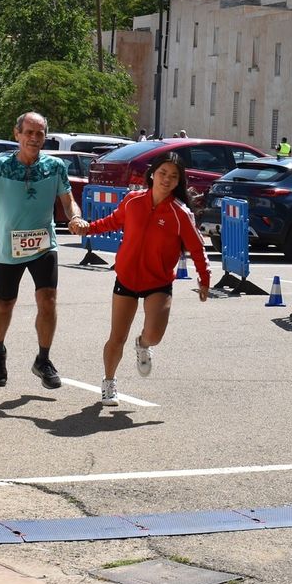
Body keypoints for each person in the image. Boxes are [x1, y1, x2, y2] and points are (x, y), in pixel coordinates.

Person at [70, 153, 210, 405]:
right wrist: (88, 228)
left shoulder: (181, 213)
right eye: (163, 173)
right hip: (127, 278)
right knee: (117, 337)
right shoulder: (133, 201)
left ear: (179, 182)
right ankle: (109, 382)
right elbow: (113, 221)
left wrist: (204, 278)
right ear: (152, 174)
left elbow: (198, 248)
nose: (167, 179)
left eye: (173, 176)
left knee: (154, 334)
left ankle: (143, 345)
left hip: (158, 281)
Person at [0, 111, 82, 390]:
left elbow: (68, 201)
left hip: (43, 243)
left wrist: (74, 217)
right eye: (29, 132)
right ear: (17, 135)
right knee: (5, 303)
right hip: (9, 247)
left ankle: (43, 359)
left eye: (39, 133)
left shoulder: (55, 167)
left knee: (48, 300)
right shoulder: (0, 166)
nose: (34, 138)